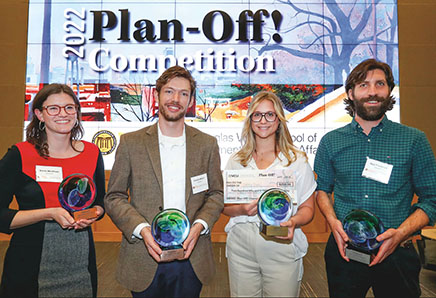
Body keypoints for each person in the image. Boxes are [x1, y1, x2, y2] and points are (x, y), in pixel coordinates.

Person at [314, 59, 436, 298]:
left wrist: (400, 233)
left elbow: (432, 199)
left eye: (379, 84)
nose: (372, 92)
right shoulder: (331, 142)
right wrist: (332, 221)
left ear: (389, 90)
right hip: (345, 252)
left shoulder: (414, 140)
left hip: (398, 254)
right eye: (363, 85)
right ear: (350, 93)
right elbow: (322, 191)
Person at [104, 65, 224, 298]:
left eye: (183, 93)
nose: (175, 99)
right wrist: (142, 229)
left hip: (192, 256)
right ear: (157, 94)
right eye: (169, 91)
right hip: (143, 254)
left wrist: (199, 226)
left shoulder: (207, 145)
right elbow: (114, 197)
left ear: (190, 101)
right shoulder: (131, 143)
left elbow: (216, 194)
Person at [0, 83, 105, 297]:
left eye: (69, 107)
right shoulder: (20, 155)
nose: (62, 114)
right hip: (29, 263)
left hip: (80, 263)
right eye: (53, 108)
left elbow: (100, 204)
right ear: (39, 114)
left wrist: (92, 214)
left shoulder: (92, 153)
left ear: (77, 112)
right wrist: (49, 213)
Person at [222, 91, 316, 297]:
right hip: (241, 247)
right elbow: (225, 207)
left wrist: (293, 222)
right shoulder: (236, 161)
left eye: (270, 115)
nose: (263, 121)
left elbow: (308, 209)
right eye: (257, 115)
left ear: (279, 120)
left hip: (281, 243)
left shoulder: (296, 161)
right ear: (250, 120)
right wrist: (243, 209)